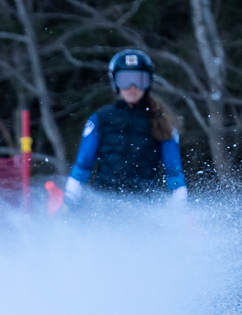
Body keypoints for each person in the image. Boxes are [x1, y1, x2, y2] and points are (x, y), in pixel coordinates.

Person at [64, 49, 188, 204]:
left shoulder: (162, 120)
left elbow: (173, 170)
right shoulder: (100, 118)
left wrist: (181, 205)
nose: (132, 87)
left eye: (139, 80)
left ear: (148, 83)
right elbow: (83, 164)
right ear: (115, 82)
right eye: (125, 80)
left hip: (145, 206)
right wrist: (69, 199)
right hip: (103, 204)